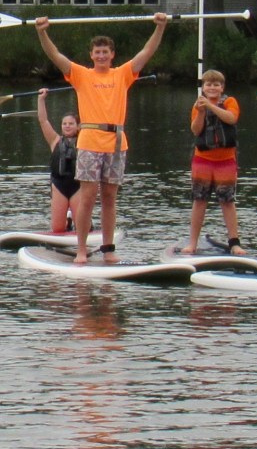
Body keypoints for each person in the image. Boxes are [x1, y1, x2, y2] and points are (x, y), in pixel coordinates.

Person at [35, 13, 169, 264]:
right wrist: (42, 32)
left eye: (105, 52)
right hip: (89, 142)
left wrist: (160, 27)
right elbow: (56, 56)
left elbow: (147, 52)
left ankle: (108, 248)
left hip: (116, 143)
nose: (101, 56)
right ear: (91, 55)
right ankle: (82, 249)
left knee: (109, 198)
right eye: (97, 52)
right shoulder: (82, 75)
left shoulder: (123, 74)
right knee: (87, 198)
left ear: (112, 54)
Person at [187, 67, 242, 254]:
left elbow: (231, 118)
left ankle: (234, 242)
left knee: (227, 201)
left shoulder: (230, 102)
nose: (212, 87)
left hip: (225, 160)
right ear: (203, 87)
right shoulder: (198, 105)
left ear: (222, 87)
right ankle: (192, 242)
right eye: (208, 84)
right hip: (203, 160)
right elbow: (195, 130)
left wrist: (210, 106)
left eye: (216, 84)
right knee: (199, 200)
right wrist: (202, 111)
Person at [35, 89, 81, 235]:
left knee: (81, 227)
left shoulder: (85, 141)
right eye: (64, 123)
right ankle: (67, 223)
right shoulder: (55, 140)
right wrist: (41, 100)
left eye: (71, 123)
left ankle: (84, 224)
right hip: (59, 185)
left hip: (78, 186)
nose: (67, 126)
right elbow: (43, 120)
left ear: (78, 126)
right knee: (57, 229)